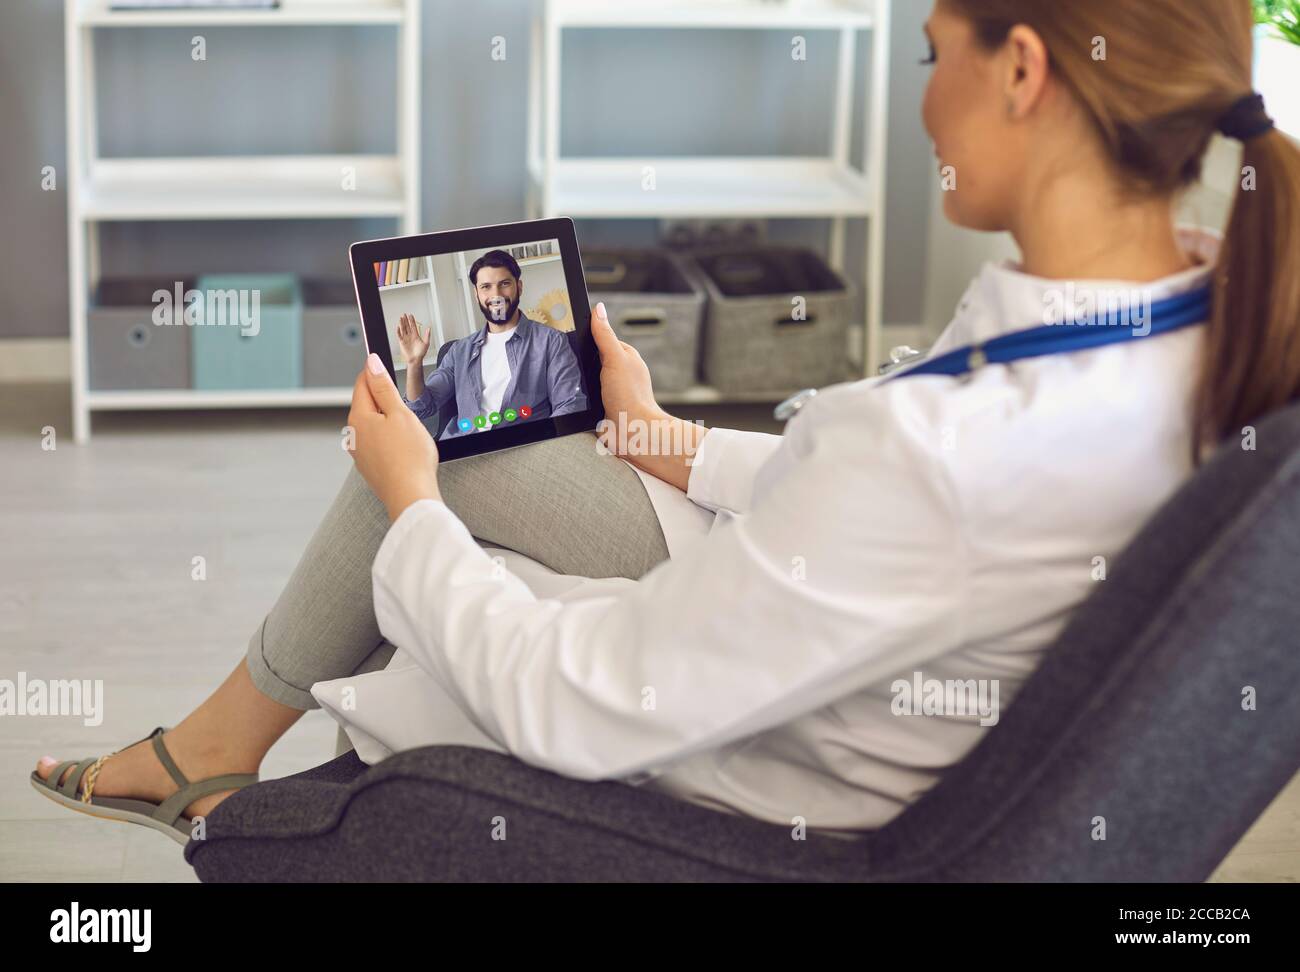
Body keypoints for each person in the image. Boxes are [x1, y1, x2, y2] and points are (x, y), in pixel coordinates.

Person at [32, 0, 1300, 840]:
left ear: (1021, 69)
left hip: (756, 737)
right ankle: (218, 740)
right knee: (472, 436)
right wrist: (668, 440)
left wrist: (417, 509)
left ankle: (217, 761)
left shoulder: (938, 461)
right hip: (844, 636)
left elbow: (572, 701)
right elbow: (875, 485)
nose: (925, 104)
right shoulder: (1191, 310)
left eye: (932, 54)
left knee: (414, 481)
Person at [395, 248, 586, 438]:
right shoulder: (458, 351)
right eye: (486, 287)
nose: (496, 295)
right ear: (476, 294)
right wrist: (413, 363)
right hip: (463, 449)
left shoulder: (551, 341)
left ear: (519, 287)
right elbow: (422, 408)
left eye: (504, 284)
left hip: (524, 447)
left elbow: (569, 405)